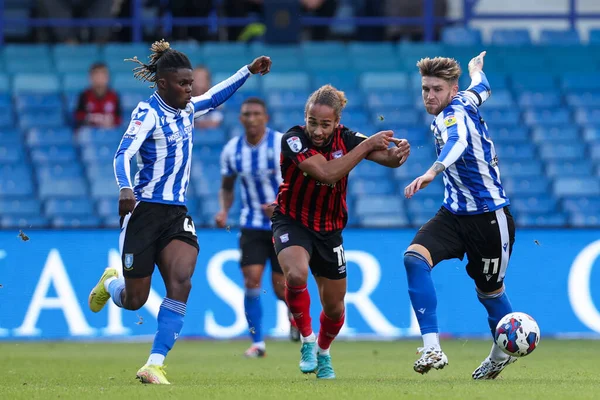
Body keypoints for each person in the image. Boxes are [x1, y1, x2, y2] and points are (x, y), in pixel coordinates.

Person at [87, 39, 271, 385]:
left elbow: (215, 96)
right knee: (135, 299)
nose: (190, 89)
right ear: (162, 84)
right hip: (144, 211)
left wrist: (247, 70)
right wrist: (125, 187)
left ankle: (154, 363)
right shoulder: (147, 113)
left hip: (176, 213)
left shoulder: (187, 109)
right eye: (184, 84)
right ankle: (111, 283)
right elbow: (123, 154)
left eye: (191, 83)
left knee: (181, 281)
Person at [272, 84, 411, 379]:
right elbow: (325, 174)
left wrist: (399, 154)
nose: (318, 131)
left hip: (329, 229)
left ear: (337, 123)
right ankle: (307, 340)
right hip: (291, 219)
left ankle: (323, 352)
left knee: (334, 308)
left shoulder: (347, 138)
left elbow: (388, 159)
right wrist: (366, 145)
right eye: (313, 122)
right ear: (305, 118)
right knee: (295, 274)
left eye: (325, 124)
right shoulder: (293, 138)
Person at [402, 51, 517, 380]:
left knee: (490, 293)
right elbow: (483, 86)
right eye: (425, 88)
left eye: (436, 89)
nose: (429, 95)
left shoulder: (453, 115)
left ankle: (500, 355)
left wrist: (433, 171)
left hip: (490, 218)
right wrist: (474, 71)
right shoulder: (466, 97)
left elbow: (458, 140)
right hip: (453, 213)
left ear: (451, 91)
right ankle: (431, 346)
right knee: (414, 258)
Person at [215, 97, 300, 358]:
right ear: (240, 119)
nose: (251, 118)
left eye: (256, 114)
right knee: (251, 280)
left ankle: (296, 318)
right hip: (251, 224)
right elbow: (228, 185)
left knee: (279, 286)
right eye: (246, 114)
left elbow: (300, 180)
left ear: (266, 117)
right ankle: (257, 343)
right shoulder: (232, 150)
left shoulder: (281, 144)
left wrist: (281, 205)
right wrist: (224, 210)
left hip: (282, 222)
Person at [74, 62, 122, 129]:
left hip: (109, 133)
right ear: (90, 77)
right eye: (96, 75)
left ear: (108, 77)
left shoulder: (114, 96)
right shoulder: (84, 95)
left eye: (102, 75)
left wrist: (111, 121)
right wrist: (90, 119)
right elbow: (78, 117)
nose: (99, 78)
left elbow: (119, 119)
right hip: (89, 133)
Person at [192, 65, 224, 129]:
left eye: (202, 79)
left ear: (208, 81)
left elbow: (217, 122)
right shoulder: (184, 101)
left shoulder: (217, 100)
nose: (198, 83)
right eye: (196, 79)